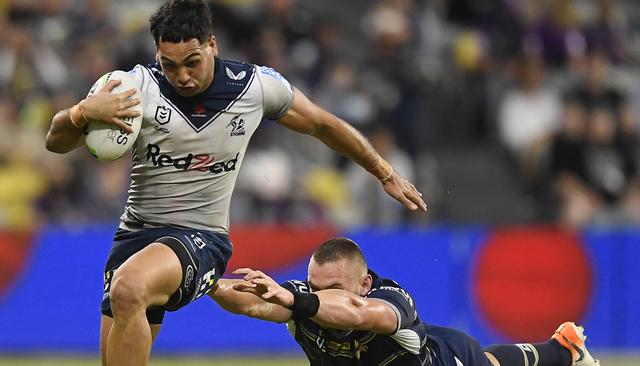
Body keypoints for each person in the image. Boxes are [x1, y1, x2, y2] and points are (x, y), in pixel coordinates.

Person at [44, 1, 426, 365]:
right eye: (170, 65)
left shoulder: (254, 87)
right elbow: (55, 143)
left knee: (128, 288)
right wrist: (80, 113)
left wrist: (385, 172)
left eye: (192, 62)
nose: (183, 76)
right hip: (135, 236)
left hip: (202, 238)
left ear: (212, 44)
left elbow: (323, 124)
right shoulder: (135, 88)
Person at [211, 237, 599, 366]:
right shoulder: (303, 298)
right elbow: (248, 303)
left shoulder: (390, 300)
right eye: (314, 286)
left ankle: (562, 349)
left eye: (332, 287)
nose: (318, 294)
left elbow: (359, 314)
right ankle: (565, 346)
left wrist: (296, 300)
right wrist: (203, 281)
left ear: (363, 283)